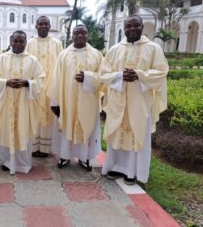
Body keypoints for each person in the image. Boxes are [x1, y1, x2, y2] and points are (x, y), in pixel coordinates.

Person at [100, 15, 168, 185]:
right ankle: (115, 166)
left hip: (140, 101)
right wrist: (120, 75)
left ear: (142, 27)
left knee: (136, 132)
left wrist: (139, 75)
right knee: (117, 132)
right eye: (128, 26)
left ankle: (132, 171)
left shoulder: (153, 48)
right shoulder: (115, 49)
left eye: (135, 26)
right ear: (124, 28)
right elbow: (104, 74)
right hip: (118, 100)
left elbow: (161, 72)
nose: (132, 29)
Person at [48, 25, 103, 171]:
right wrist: (55, 102)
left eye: (83, 33)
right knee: (67, 126)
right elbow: (56, 79)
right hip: (68, 101)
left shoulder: (96, 54)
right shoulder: (64, 55)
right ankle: (65, 156)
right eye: (76, 33)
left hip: (89, 101)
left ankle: (84, 158)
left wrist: (87, 77)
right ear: (72, 36)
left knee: (86, 127)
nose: (79, 36)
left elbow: (103, 77)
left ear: (87, 35)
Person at [0, 31, 45, 174]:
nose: (18, 44)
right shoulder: (1, 59)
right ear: (10, 41)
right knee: (7, 131)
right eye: (15, 41)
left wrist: (27, 83)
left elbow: (41, 80)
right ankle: (7, 161)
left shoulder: (33, 60)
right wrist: (6, 82)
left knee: (22, 131)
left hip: (24, 104)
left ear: (26, 42)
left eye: (21, 41)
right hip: (6, 102)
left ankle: (22, 162)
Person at [26, 16, 63, 158]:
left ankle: (46, 148)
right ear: (36, 26)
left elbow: (61, 65)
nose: (43, 26)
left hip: (50, 86)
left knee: (48, 116)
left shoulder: (56, 43)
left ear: (49, 26)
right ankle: (34, 147)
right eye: (40, 24)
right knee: (34, 115)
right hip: (34, 87)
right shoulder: (29, 43)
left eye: (46, 24)